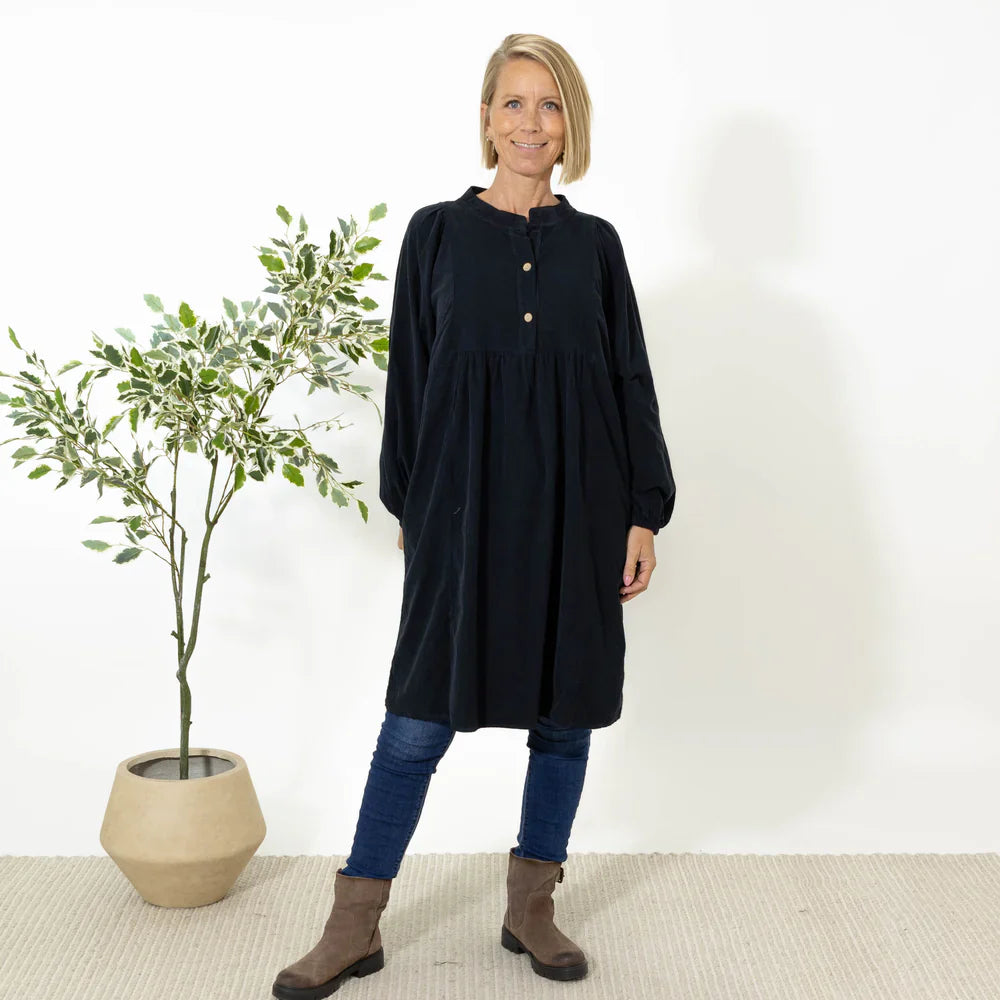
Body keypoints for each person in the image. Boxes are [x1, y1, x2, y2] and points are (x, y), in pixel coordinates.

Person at [272, 32, 676, 1000]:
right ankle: (353, 923)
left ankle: (531, 906)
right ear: (486, 118)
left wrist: (642, 512)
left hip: (579, 507)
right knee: (416, 722)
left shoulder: (596, 245)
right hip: (462, 506)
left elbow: (629, 380)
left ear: (571, 123)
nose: (531, 122)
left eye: (550, 104)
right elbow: (409, 378)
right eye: (513, 102)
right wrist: (412, 502)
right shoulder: (435, 234)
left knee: (565, 715)